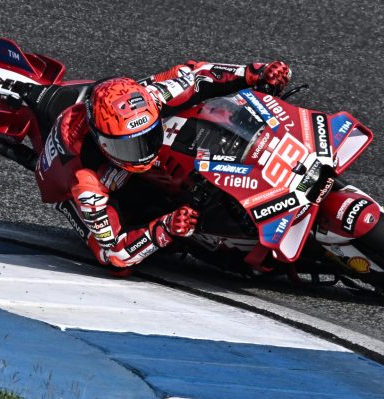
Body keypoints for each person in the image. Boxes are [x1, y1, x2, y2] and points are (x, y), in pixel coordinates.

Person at [28, 60, 291, 271]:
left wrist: (255, 73)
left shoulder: (154, 95)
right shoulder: (86, 183)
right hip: (83, 184)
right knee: (115, 250)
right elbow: (114, 254)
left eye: (147, 138)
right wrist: (164, 228)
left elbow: (200, 74)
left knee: (192, 94)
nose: (142, 153)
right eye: (128, 147)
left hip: (123, 126)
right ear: (102, 142)